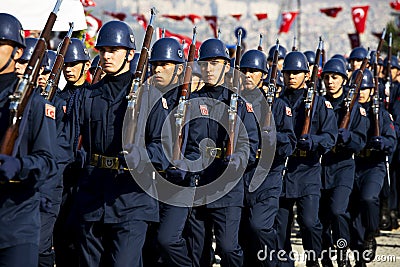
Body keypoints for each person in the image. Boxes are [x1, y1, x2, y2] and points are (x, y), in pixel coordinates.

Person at [75, 20, 169, 266]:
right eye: (103, 50)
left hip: (132, 199)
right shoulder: (88, 96)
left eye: (113, 50)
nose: (106, 56)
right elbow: (69, 142)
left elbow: (164, 148)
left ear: (129, 54)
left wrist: (141, 157)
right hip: (93, 196)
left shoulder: (149, 97)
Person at [182, 38, 259, 267]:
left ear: (226, 66)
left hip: (227, 185)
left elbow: (251, 144)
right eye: (205, 64)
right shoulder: (192, 101)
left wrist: (237, 158)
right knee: (198, 249)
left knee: (227, 248)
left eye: (215, 63)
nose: (209, 69)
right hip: (197, 184)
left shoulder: (241, 104)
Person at [0, 13, 58, 266]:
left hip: (16, 222)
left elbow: (48, 161)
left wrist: (20, 166)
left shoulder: (33, 104)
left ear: (17, 51)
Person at [276, 51, 337, 267]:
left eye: (296, 73)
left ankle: (314, 260)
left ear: (306, 75)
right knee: (280, 227)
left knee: (310, 224)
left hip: (308, 169)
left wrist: (313, 141)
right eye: (288, 73)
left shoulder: (319, 104)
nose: (291, 77)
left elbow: (331, 137)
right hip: (283, 170)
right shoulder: (276, 103)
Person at [239, 49, 296, 267]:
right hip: (240, 178)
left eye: (253, 71)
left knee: (260, 227)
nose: (247, 75)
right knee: (244, 237)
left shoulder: (280, 106)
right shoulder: (235, 104)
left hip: (268, 179)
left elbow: (289, 142)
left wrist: (271, 136)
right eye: (244, 70)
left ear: (263, 75)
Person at [146, 37, 193, 267]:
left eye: (165, 64)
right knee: (149, 245)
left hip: (180, 184)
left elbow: (199, 144)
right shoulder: (145, 98)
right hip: (150, 182)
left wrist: (186, 163)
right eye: (155, 64)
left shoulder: (192, 101)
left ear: (179, 69)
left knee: (168, 240)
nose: (158, 69)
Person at [319, 58, 368, 267]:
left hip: (343, 166)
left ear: (343, 80)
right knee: (319, 219)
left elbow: (360, 142)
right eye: (327, 77)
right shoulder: (319, 104)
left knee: (339, 211)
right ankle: (324, 255)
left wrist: (348, 137)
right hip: (321, 166)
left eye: (335, 77)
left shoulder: (355, 108)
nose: (330, 81)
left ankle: (342, 252)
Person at [350, 69, 397, 267]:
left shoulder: (381, 114)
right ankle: (358, 250)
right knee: (351, 212)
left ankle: (371, 232)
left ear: (372, 90)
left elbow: (392, 139)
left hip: (373, 164)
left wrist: (382, 142)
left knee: (369, 198)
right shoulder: (348, 112)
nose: (362, 92)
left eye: (366, 88)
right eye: (358, 88)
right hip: (352, 164)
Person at [52, 37, 91, 267]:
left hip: (85, 175)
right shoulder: (56, 99)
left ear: (86, 65)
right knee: (62, 234)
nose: (68, 69)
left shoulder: (92, 96)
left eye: (73, 64)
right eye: (65, 64)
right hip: (62, 175)